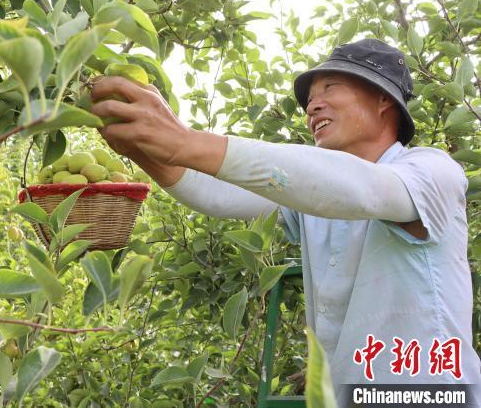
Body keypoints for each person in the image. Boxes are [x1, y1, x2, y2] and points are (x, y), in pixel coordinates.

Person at [89, 38, 480, 407]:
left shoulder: (431, 171)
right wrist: (141, 146)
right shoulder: (313, 196)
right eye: (310, 100)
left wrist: (184, 140)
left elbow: (368, 190)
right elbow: (217, 193)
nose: (313, 107)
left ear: (383, 99)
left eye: (330, 88)